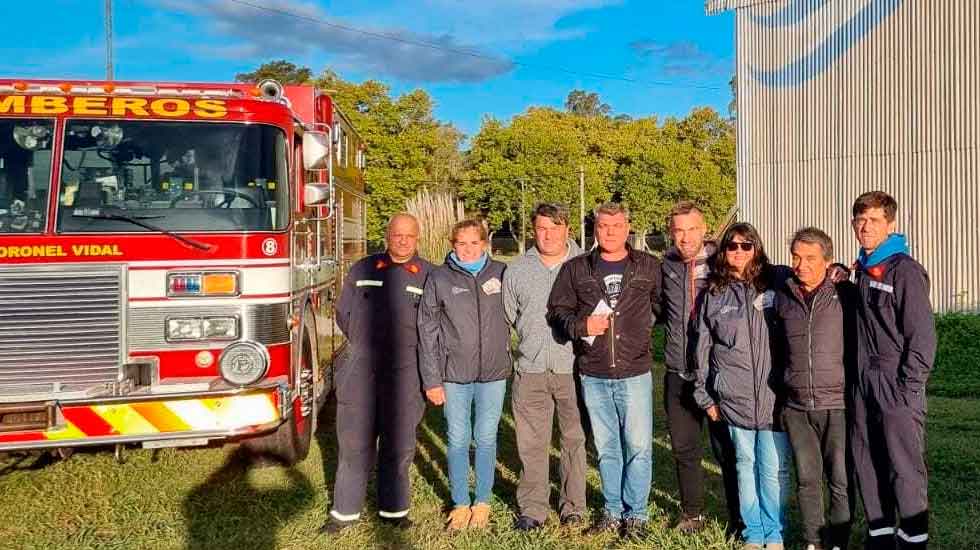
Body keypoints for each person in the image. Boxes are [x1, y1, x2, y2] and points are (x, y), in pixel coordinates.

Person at [547, 202, 662, 539]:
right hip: (594, 373)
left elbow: (662, 307)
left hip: (635, 371)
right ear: (595, 229)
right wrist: (583, 325)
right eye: (603, 226)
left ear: (628, 227)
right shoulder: (576, 269)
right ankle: (612, 511)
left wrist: (639, 330)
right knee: (608, 448)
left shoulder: (648, 266)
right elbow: (557, 312)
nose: (610, 231)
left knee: (639, 447)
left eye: (617, 225)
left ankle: (637, 514)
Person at [321, 213, 433, 533]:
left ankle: (394, 512)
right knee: (354, 443)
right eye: (396, 235)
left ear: (417, 238)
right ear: (387, 235)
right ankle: (343, 513)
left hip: (406, 373)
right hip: (361, 370)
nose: (402, 241)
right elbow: (344, 313)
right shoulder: (364, 269)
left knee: (398, 445)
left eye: (409, 236)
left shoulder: (428, 275)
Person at [693, 222, 792, 550]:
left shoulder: (777, 283)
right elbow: (702, 348)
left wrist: (836, 271)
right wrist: (704, 394)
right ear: (723, 251)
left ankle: (774, 532)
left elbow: (812, 274)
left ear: (756, 248)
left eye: (745, 246)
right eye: (731, 246)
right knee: (744, 466)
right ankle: (753, 532)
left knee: (774, 469)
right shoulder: (714, 293)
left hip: (773, 397)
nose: (738, 252)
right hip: (733, 398)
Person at [849, 191, 936, 550]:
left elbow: (922, 337)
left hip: (895, 381)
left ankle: (914, 536)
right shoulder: (865, 268)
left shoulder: (904, 270)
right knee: (867, 459)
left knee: (903, 464)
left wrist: (908, 388)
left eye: (873, 220)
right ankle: (881, 533)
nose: (865, 227)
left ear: (891, 224)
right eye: (859, 220)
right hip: (862, 381)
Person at [418, 219, 512, 531]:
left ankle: (482, 501)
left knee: (485, 437)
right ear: (452, 244)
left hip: (493, 373)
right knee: (458, 438)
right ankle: (460, 503)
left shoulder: (502, 273)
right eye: (461, 243)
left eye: (474, 242)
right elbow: (427, 330)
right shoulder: (439, 278)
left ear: (485, 244)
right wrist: (431, 379)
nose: (468, 249)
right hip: (454, 374)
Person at [503, 203, 587, 531]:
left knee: (574, 440)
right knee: (531, 443)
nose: (548, 234)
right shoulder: (517, 270)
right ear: (533, 231)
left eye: (555, 227)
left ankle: (573, 506)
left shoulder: (583, 266)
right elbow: (509, 316)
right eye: (541, 228)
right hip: (532, 370)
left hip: (574, 370)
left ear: (568, 229)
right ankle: (533, 507)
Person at [659, 200, 741, 535]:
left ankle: (740, 518)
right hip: (678, 372)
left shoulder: (725, 260)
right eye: (679, 230)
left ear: (704, 229)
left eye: (692, 229)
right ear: (671, 233)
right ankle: (693, 514)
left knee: (728, 452)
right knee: (684, 449)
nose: (686, 236)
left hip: (717, 375)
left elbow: (765, 274)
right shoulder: (664, 265)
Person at [774, 227, 858, 550]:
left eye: (810, 258)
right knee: (807, 479)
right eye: (796, 256)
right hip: (797, 407)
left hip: (836, 403)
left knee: (839, 478)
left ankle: (837, 541)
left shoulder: (844, 294)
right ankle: (813, 540)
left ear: (828, 260)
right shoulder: (784, 294)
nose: (801, 264)